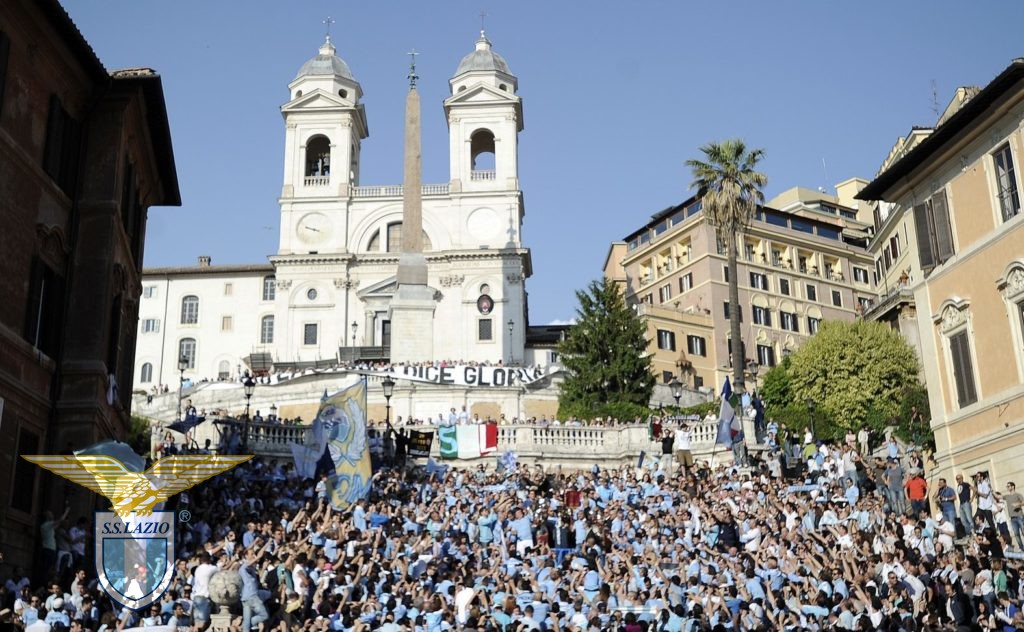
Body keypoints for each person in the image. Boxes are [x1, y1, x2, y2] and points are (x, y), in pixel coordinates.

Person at [1003, 481, 1024, 551]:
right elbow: (998, 496)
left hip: (1019, 516)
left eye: (1008, 486)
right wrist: (991, 491)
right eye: (1007, 486)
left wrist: (1018, 504)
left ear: (1013, 487)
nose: (1007, 488)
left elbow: (1023, 502)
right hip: (1012, 518)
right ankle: (1022, 548)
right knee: (1016, 534)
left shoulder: (1018, 494)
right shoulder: (1007, 496)